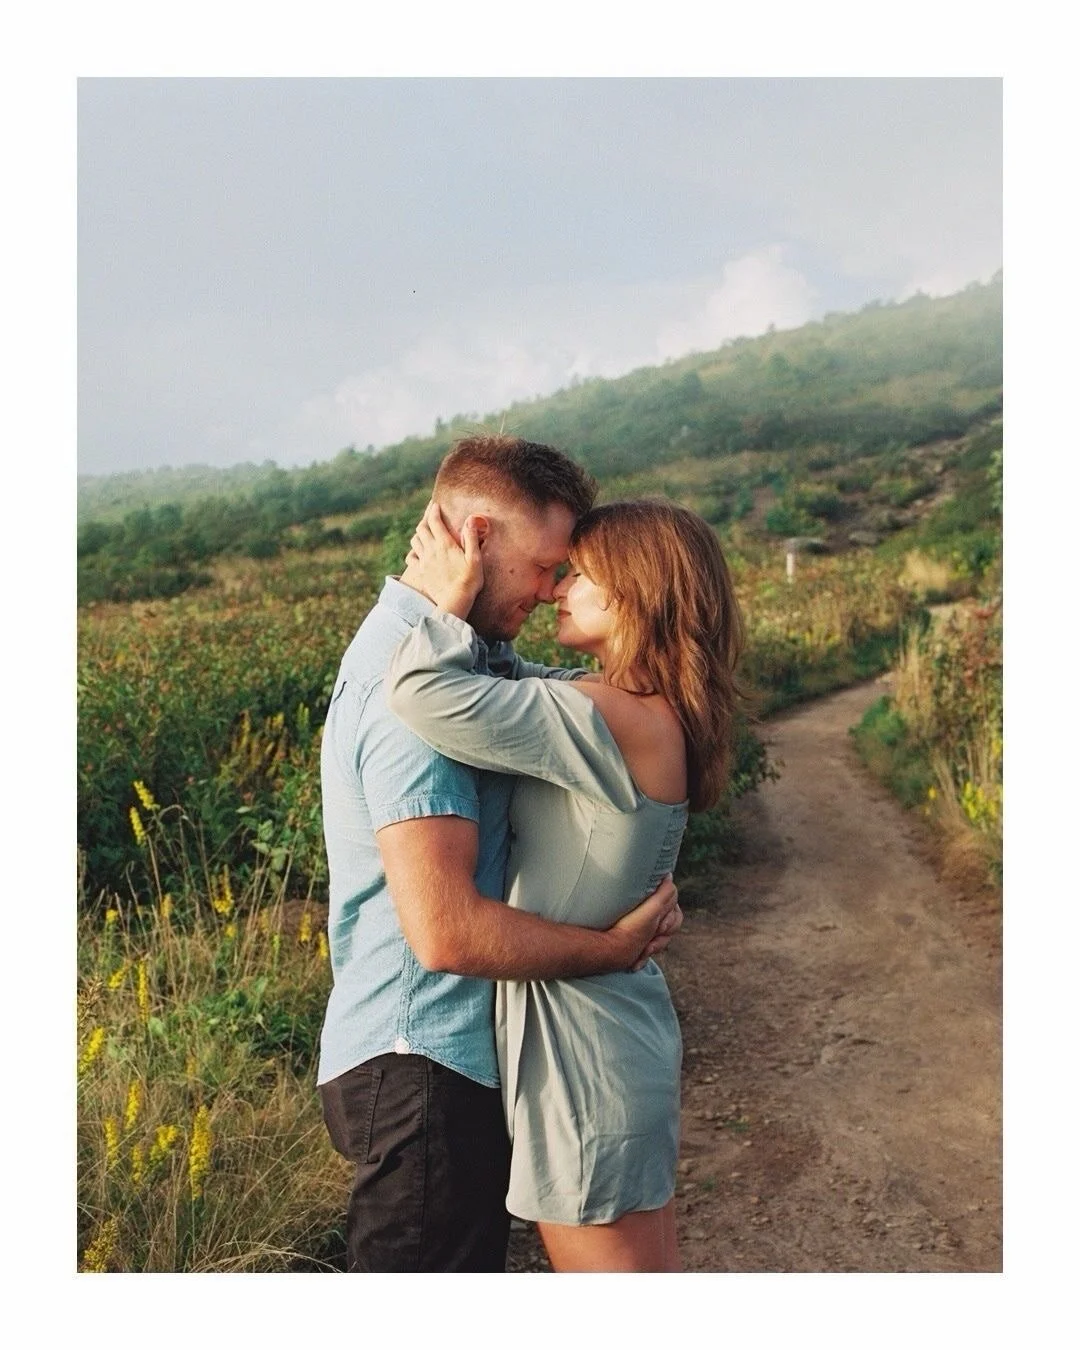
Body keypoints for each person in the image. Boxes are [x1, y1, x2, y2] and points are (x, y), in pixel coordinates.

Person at [316, 435, 683, 1274]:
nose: (553, 588)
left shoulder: (469, 662)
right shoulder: (410, 690)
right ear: (476, 542)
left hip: (450, 1063)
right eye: (548, 565)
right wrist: (611, 948)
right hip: (424, 1062)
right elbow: (444, 934)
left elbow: (582, 738)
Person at [385, 495, 745, 1272]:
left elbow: (422, 694)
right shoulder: (643, 711)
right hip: (610, 1037)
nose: (556, 590)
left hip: (581, 1052)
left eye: (577, 575)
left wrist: (449, 602)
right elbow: (529, 684)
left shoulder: (607, 715)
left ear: (633, 596)